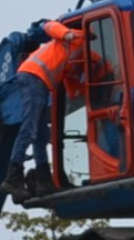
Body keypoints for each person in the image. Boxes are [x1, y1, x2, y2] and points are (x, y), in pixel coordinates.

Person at [7, 19, 85, 197]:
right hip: (34, 77)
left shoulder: (76, 54)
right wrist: (68, 34)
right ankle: (13, 177)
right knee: (29, 129)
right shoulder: (78, 38)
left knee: (41, 135)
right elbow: (49, 26)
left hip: (40, 82)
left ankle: (44, 181)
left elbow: (70, 81)